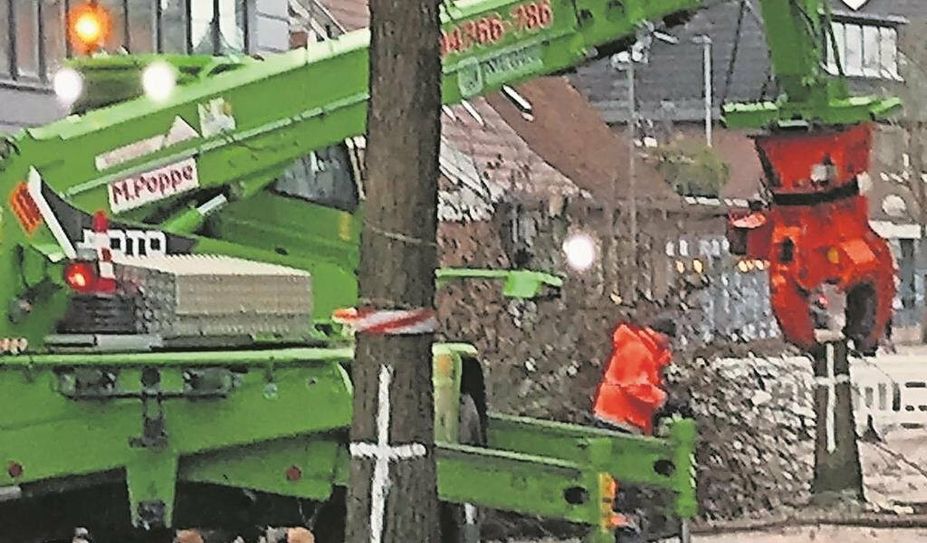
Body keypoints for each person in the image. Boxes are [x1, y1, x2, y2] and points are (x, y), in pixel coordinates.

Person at [593, 316, 677, 436]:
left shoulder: (646, 351)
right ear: (661, 334)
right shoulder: (638, 350)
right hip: (618, 417)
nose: (669, 345)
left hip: (621, 417)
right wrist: (661, 399)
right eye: (669, 340)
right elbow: (634, 385)